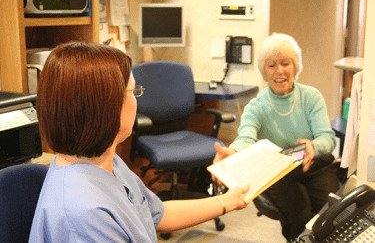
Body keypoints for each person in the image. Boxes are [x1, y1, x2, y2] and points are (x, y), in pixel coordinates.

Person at [29, 42, 249, 242]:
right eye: (133, 91)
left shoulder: (104, 160)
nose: (137, 100)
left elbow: (158, 214)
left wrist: (227, 201)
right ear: (104, 107)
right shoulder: (86, 217)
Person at [212, 33, 340, 240]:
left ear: (295, 67)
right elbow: (247, 137)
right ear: (264, 71)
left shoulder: (311, 97)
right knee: (300, 217)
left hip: (312, 164)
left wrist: (313, 147)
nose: (279, 71)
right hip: (277, 171)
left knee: (331, 213)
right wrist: (233, 151)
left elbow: (327, 137)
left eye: (285, 63)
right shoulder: (257, 106)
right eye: (271, 65)